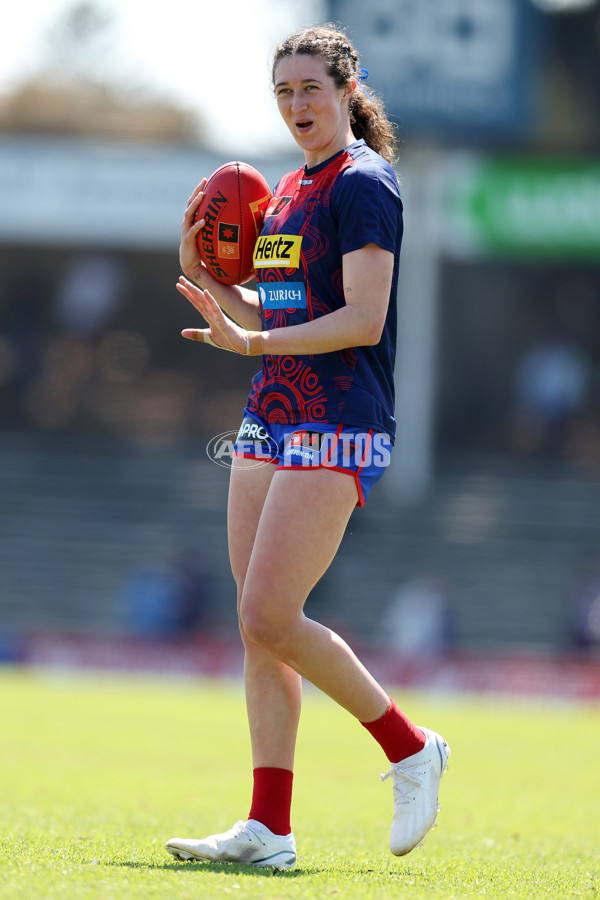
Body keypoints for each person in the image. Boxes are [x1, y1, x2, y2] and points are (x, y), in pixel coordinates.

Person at [165, 24, 450, 869]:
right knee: (259, 631)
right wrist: (215, 281)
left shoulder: (365, 183)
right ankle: (269, 828)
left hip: (340, 419)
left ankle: (409, 748)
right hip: (269, 414)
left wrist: (251, 346)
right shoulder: (289, 189)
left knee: (268, 613)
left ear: (347, 88)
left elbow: (362, 318)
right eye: (283, 92)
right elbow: (283, 310)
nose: (296, 106)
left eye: (310, 90)